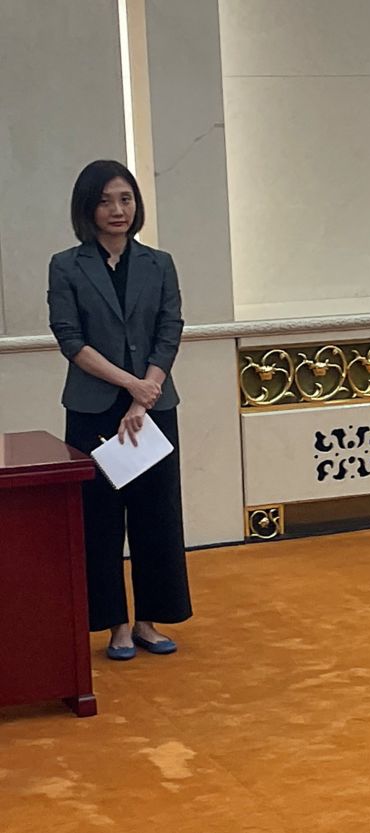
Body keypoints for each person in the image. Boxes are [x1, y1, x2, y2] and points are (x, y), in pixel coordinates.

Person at [47, 159, 191, 662]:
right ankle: (115, 626)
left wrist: (145, 393)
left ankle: (148, 621)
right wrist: (131, 386)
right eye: (106, 200)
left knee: (156, 515)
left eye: (126, 199)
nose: (118, 210)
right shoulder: (67, 265)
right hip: (93, 411)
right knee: (100, 520)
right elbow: (71, 340)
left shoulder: (159, 262)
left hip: (152, 407)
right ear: (88, 207)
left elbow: (169, 329)